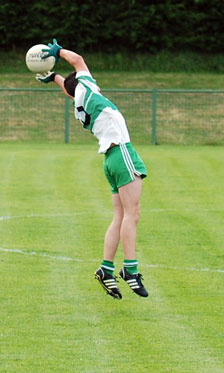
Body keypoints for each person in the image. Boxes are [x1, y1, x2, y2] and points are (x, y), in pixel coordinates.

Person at [37, 39, 148, 299]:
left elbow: (69, 87)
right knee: (133, 214)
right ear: (83, 82)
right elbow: (78, 61)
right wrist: (58, 52)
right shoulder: (88, 88)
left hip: (110, 160)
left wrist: (54, 76)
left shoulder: (80, 100)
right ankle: (130, 270)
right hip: (121, 152)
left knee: (120, 215)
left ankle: (106, 270)